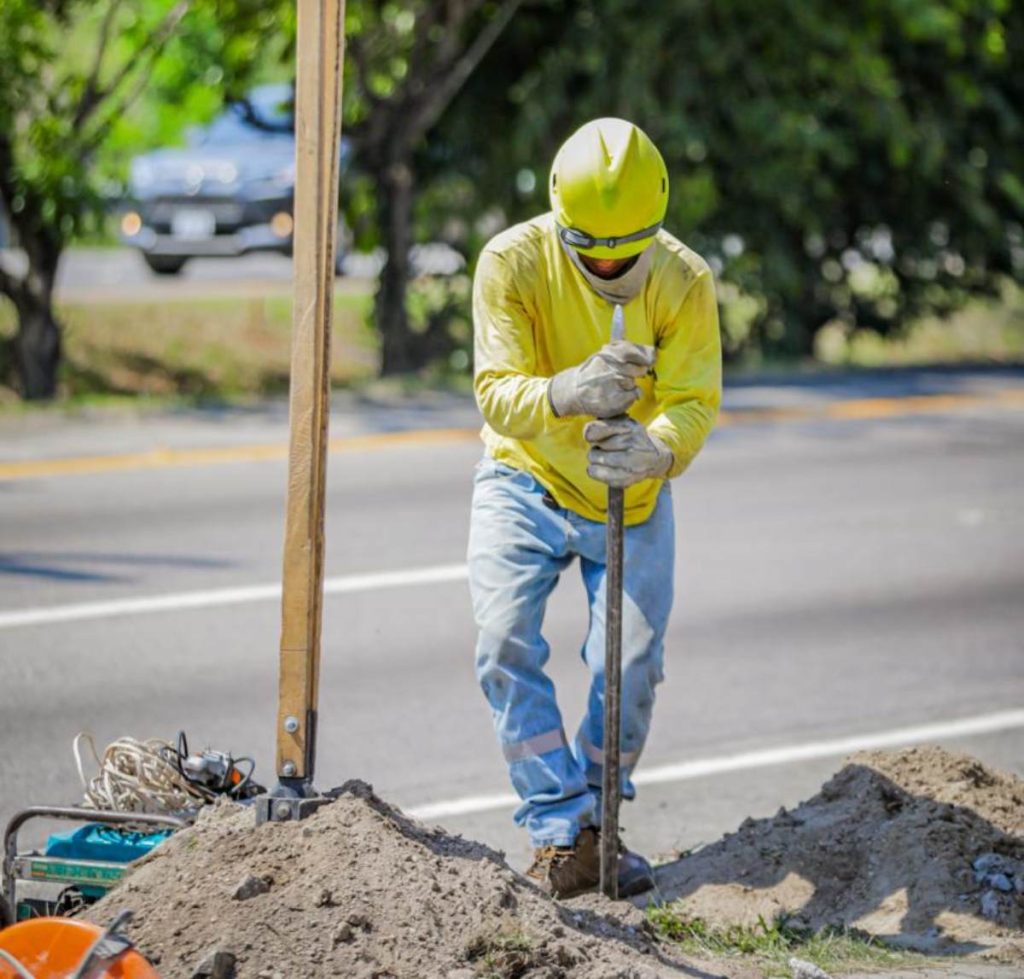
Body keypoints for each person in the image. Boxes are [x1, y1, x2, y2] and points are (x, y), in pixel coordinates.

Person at [468, 118, 721, 899]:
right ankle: (558, 826)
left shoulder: (684, 280)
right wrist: (565, 391)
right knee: (503, 642)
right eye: (593, 250)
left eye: (625, 250)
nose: (609, 263)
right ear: (559, 216)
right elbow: (495, 390)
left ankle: (602, 820)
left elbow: (693, 400)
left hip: (632, 494)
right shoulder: (511, 262)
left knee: (631, 664)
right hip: (527, 477)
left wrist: (660, 447)